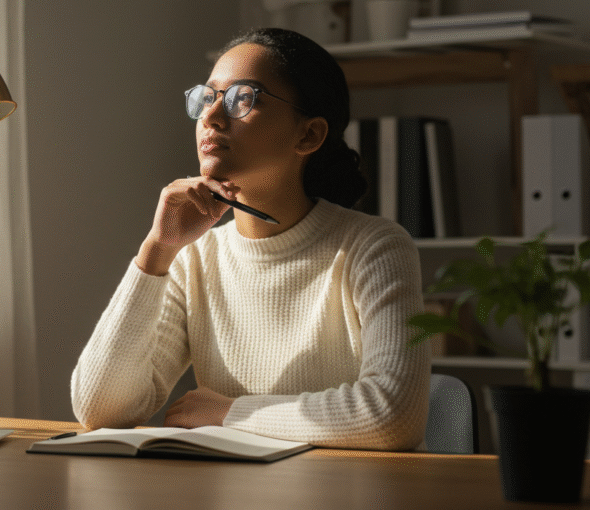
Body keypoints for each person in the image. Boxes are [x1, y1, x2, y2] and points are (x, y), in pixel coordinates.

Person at [71, 28, 430, 450]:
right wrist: (157, 250)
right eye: (207, 97)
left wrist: (228, 413)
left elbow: (392, 416)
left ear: (309, 135)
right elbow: (100, 409)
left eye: (242, 98)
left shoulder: (374, 248)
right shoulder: (194, 260)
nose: (211, 117)